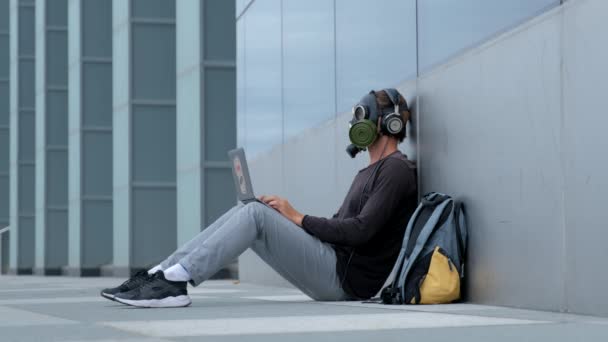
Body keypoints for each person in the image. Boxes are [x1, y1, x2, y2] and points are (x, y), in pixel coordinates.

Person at [100, 88, 418, 308]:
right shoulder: (370, 171)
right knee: (252, 208)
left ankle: (176, 282)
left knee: (255, 216)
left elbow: (361, 230)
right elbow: (342, 227)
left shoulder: (397, 170)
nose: (355, 123)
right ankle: (161, 274)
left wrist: (298, 218)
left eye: (363, 115)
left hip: (346, 282)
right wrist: (290, 222)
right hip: (333, 264)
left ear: (386, 121)